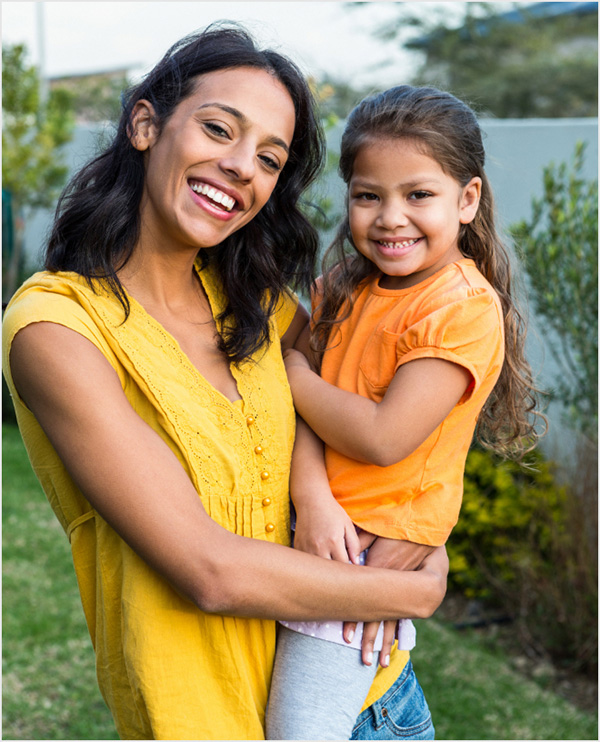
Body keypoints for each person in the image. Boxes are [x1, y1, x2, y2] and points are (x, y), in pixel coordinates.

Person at [2, 27, 449, 741]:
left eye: (269, 158)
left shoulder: (263, 306)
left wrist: (418, 529)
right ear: (146, 123)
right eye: (219, 128)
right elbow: (208, 571)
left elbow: (366, 432)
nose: (243, 167)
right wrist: (416, 589)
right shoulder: (56, 330)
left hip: (375, 703)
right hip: (207, 718)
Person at [266, 85, 544, 740]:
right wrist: (313, 495)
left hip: (367, 554)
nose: (391, 217)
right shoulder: (344, 287)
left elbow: (384, 437)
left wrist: (288, 370)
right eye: (369, 195)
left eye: (418, 195)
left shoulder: (460, 309)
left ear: (466, 199)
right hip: (327, 534)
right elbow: (310, 417)